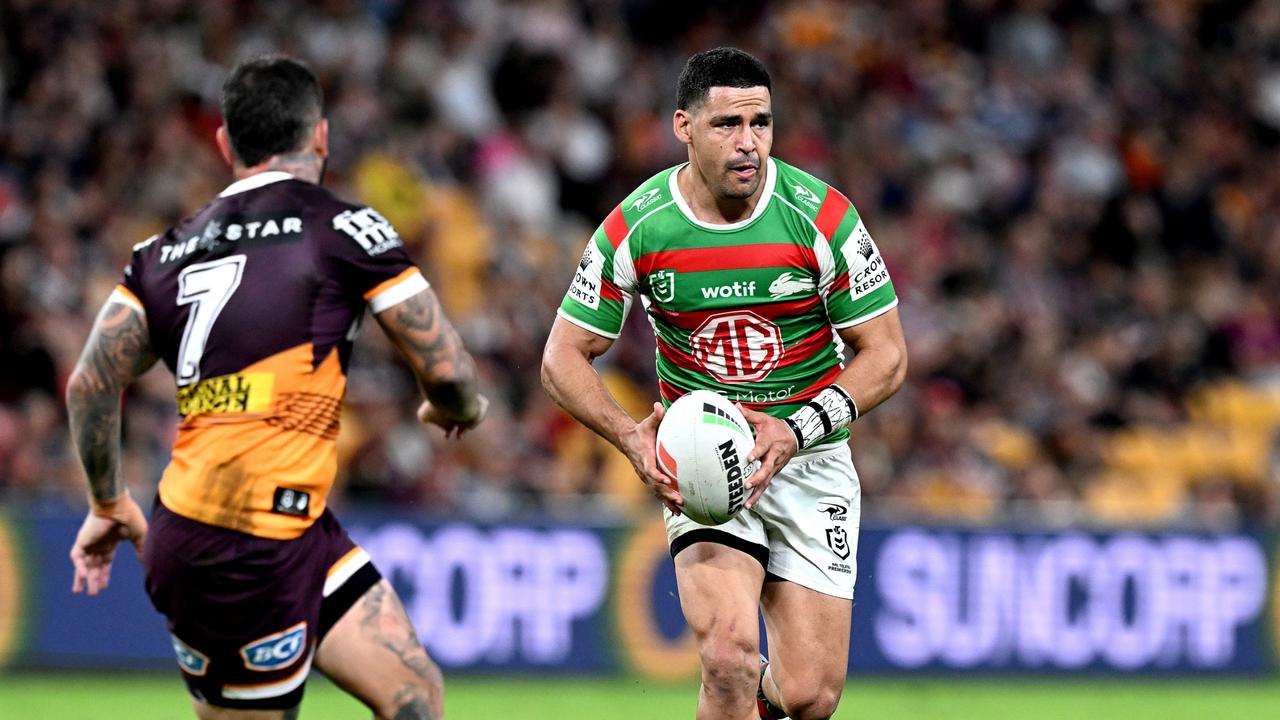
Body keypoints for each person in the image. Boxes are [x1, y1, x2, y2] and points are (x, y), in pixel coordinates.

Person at [66, 55, 486, 720]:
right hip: (232, 546)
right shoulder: (346, 228)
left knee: (415, 696)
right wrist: (452, 405)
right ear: (321, 136)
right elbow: (451, 371)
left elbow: (90, 383)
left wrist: (106, 499)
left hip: (290, 527)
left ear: (226, 144)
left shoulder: (159, 254)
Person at [542, 47, 907, 720]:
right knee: (730, 657)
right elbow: (563, 354)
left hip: (808, 455)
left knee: (809, 695)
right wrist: (630, 437)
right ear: (683, 126)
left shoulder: (821, 217)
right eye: (727, 125)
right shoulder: (639, 225)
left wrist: (796, 430)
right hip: (703, 460)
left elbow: (885, 354)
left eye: (761, 124)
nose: (749, 144)